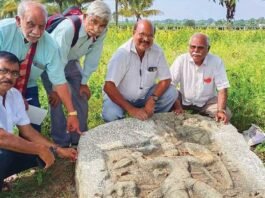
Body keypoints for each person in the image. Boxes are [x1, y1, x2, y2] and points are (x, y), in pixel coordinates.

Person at [0, 51, 78, 191]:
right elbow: (1, 138)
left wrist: (58, 149)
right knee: (5, 153)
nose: (8, 77)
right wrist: (39, 149)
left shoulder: (14, 95)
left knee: (37, 153)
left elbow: (28, 131)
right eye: (3, 71)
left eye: (14, 73)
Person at [0, 0, 80, 133]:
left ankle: (31, 153)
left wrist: (72, 113)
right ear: (19, 20)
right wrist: (13, 96)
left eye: (42, 26)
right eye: (30, 24)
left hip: (28, 85)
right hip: (1, 82)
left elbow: (59, 82)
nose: (36, 32)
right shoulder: (3, 32)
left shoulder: (50, 45)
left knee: (33, 126)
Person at [41, 0, 111, 147]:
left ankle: (79, 138)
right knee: (57, 100)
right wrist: (55, 89)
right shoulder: (68, 28)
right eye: (93, 22)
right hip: (50, 63)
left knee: (81, 95)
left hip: (71, 61)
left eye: (102, 25)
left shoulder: (101, 32)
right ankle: (61, 143)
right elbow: (57, 64)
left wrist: (84, 82)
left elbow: (93, 57)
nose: (97, 29)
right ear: (85, 16)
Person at [102, 19, 177, 122]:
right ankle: (130, 118)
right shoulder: (122, 54)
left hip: (145, 97)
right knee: (111, 115)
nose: (145, 39)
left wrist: (152, 99)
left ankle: (151, 118)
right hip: (120, 97)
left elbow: (166, 80)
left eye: (150, 35)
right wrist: (131, 110)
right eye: (141, 34)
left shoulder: (157, 52)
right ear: (133, 33)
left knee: (172, 92)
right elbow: (108, 87)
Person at [170, 33, 232, 124]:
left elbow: (222, 88)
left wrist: (221, 111)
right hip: (183, 99)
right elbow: (170, 84)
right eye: (193, 47)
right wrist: (177, 106)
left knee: (226, 114)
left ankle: (203, 115)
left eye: (200, 48)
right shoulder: (181, 60)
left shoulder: (216, 61)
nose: (196, 50)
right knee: (165, 100)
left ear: (208, 49)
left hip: (206, 102)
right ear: (189, 47)